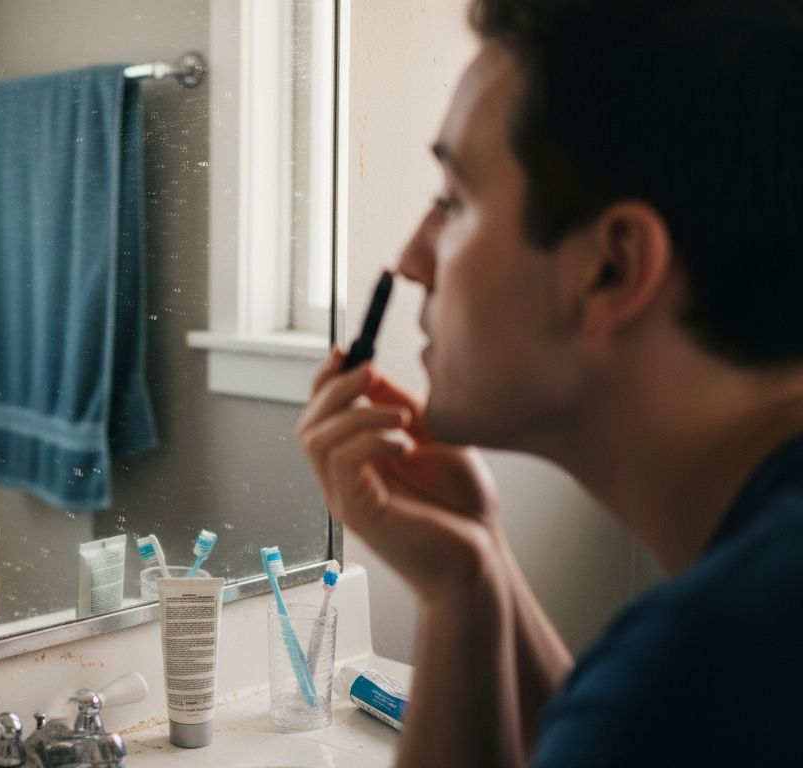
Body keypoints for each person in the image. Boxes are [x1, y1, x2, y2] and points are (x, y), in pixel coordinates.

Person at [298, 0, 803, 764]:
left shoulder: (701, 674)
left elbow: (643, 722)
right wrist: (472, 571)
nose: (409, 259)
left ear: (612, 268)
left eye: (455, 202)